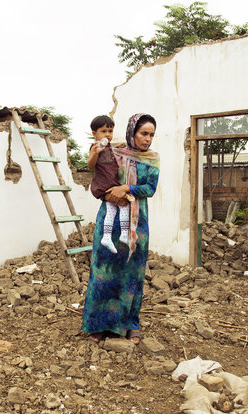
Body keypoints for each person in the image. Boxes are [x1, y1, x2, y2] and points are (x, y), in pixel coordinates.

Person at [81, 113, 160, 345]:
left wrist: (126, 187)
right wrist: (109, 193)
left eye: (151, 135)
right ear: (132, 132)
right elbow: (98, 175)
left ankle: (129, 324)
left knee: (132, 273)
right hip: (109, 217)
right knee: (104, 270)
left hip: (137, 224)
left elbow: (150, 188)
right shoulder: (113, 151)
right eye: (143, 133)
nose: (147, 139)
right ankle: (98, 325)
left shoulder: (152, 159)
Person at [87, 115, 133, 253]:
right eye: (104, 131)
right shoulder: (95, 146)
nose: (108, 134)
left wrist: (116, 148)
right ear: (95, 134)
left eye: (110, 131)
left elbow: (111, 155)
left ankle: (108, 237)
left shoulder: (108, 147)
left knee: (112, 211)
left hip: (112, 184)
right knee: (124, 204)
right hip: (104, 185)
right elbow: (90, 165)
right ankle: (123, 234)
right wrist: (96, 153)